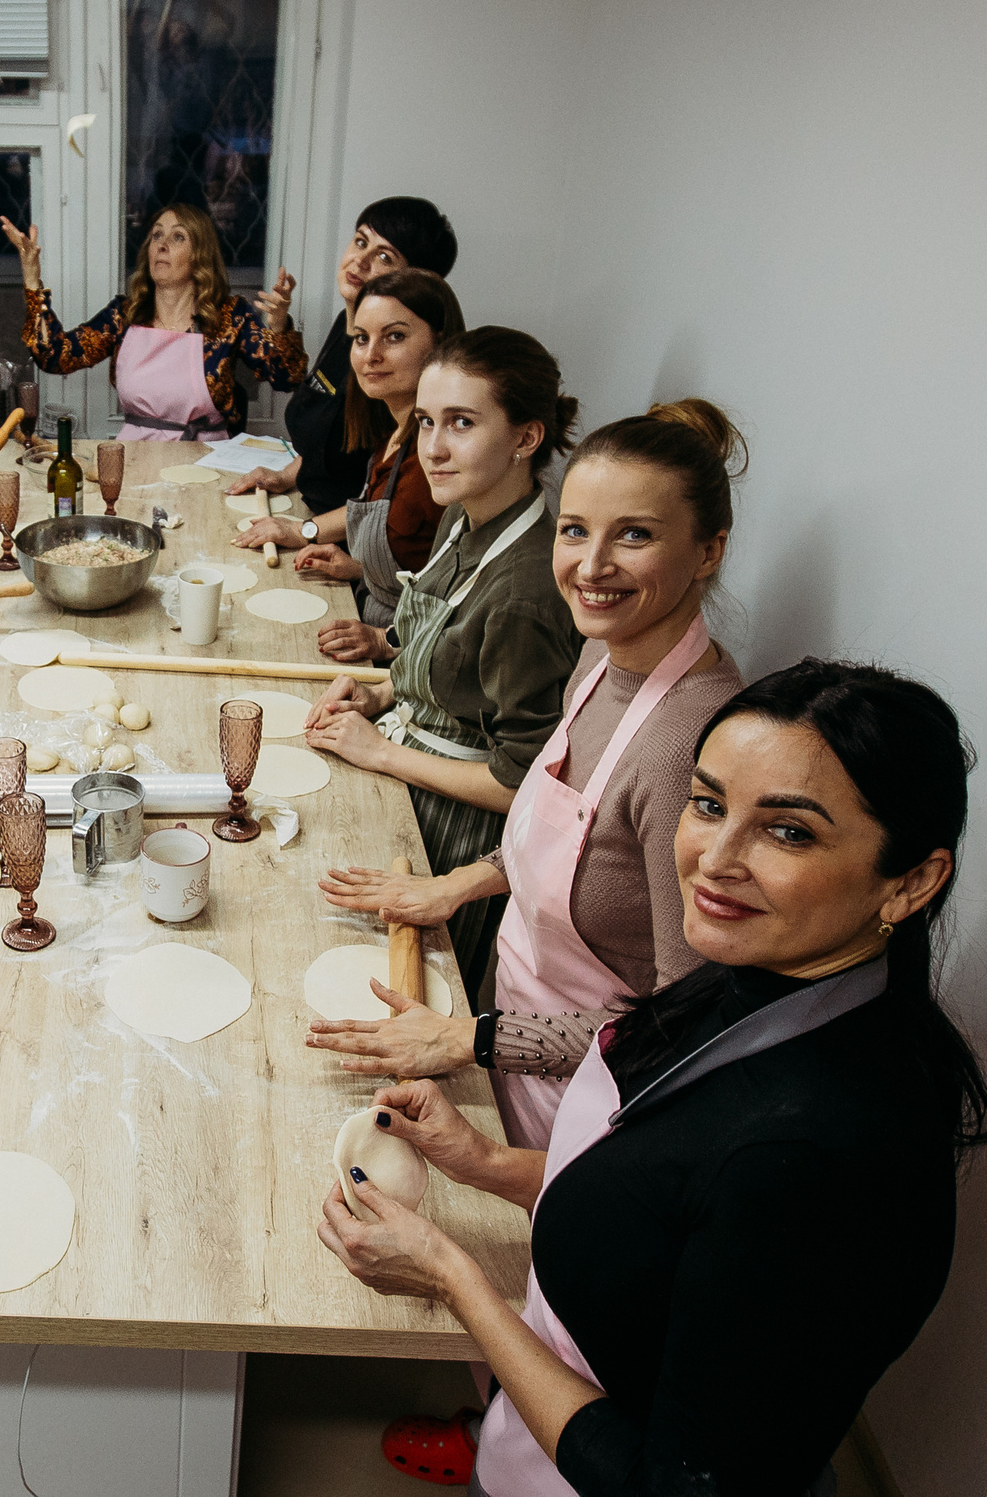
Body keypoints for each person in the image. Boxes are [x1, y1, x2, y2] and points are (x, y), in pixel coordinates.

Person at [319, 661, 987, 1497]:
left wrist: (449, 1273)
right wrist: (483, 1163)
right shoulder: (750, 976)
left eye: (789, 832)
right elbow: (658, 1208)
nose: (715, 859)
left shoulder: (820, 1157)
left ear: (912, 881)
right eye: (708, 804)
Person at [311, 401, 750, 1148]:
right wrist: (455, 884)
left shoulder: (689, 746)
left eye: (634, 534)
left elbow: (683, 1022)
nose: (591, 565)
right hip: (501, 1027)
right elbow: (560, 825)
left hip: (588, 1107)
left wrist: (469, 1041)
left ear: (708, 550)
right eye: (575, 529)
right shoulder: (606, 649)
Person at [304, 329, 583, 1001]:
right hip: (408, 779)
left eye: (462, 422)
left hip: (453, 837)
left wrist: (382, 754)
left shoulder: (524, 588)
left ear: (525, 438)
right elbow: (445, 668)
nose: (433, 446)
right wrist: (383, 694)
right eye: (427, 421)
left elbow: (526, 786)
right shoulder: (467, 513)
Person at [230, 267, 459, 663]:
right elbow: (415, 562)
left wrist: (385, 640)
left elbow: (462, 603)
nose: (371, 356)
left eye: (395, 337)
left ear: (439, 343)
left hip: (414, 657)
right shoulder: (392, 430)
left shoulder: (438, 459)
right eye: (361, 339)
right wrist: (356, 568)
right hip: (373, 617)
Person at [231, 197, 458, 515]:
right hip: (310, 514)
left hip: (351, 542)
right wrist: (285, 477)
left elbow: (384, 500)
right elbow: (327, 439)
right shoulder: (345, 325)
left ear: (413, 282)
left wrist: (308, 534)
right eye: (360, 242)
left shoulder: (397, 369)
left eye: (383, 256)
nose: (359, 262)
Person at [4, 202, 305, 440]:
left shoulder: (229, 316)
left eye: (178, 237)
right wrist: (31, 275)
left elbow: (287, 378)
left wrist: (278, 324)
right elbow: (54, 356)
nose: (162, 245)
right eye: (157, 235)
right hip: (136, 460)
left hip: (209, 463)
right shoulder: (124, 315)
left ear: (199, 254)